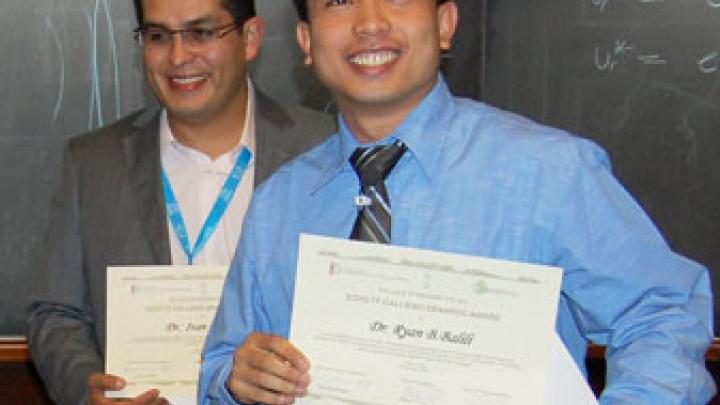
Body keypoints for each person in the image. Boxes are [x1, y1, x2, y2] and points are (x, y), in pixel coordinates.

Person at [199, 0, 716, 404]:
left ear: (445, 25)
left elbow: (662, 313)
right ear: (307, 42)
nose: (370, 23)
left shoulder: (548, 174)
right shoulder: (278, 205)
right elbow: (220, 365)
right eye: (339, 2)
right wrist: (235, 378)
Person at [26, 0, 334, 404]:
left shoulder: (327, 147)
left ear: (251, 38)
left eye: (201, 33)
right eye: (158, 36)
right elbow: (55, 312)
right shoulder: (93, 164)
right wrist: (86, 388)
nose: (178, 57)